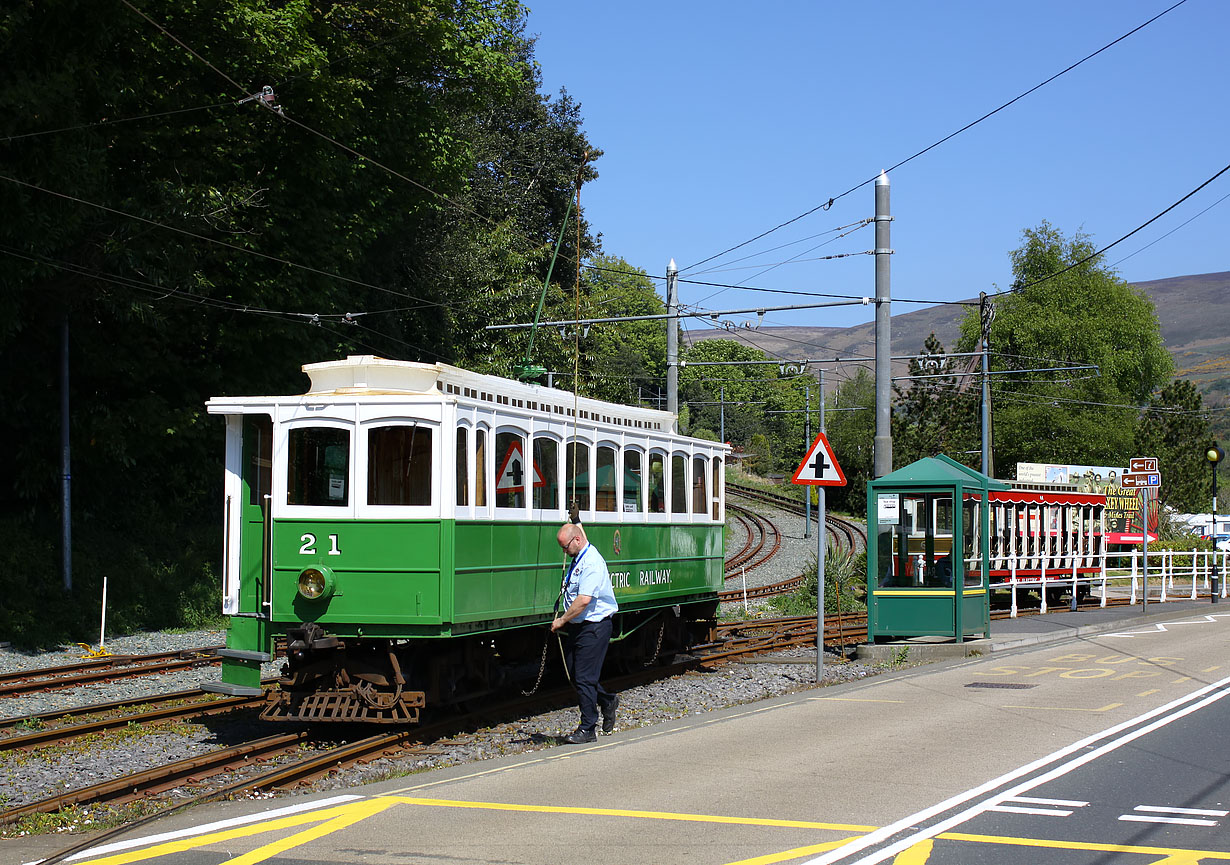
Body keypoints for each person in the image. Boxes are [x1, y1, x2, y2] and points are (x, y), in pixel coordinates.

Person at [551, 522, 619, 743]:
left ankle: (588, 728)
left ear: (576, 541)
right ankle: (607, 701)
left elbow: (584, 600)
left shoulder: (591, 563)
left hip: (595, 626)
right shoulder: (582, 551)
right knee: (575, 674)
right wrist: (576, 518)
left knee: (584, 678)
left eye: (565, 547)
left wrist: (561, 620)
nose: (564, 552)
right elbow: (580, 533)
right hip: (580, 626)